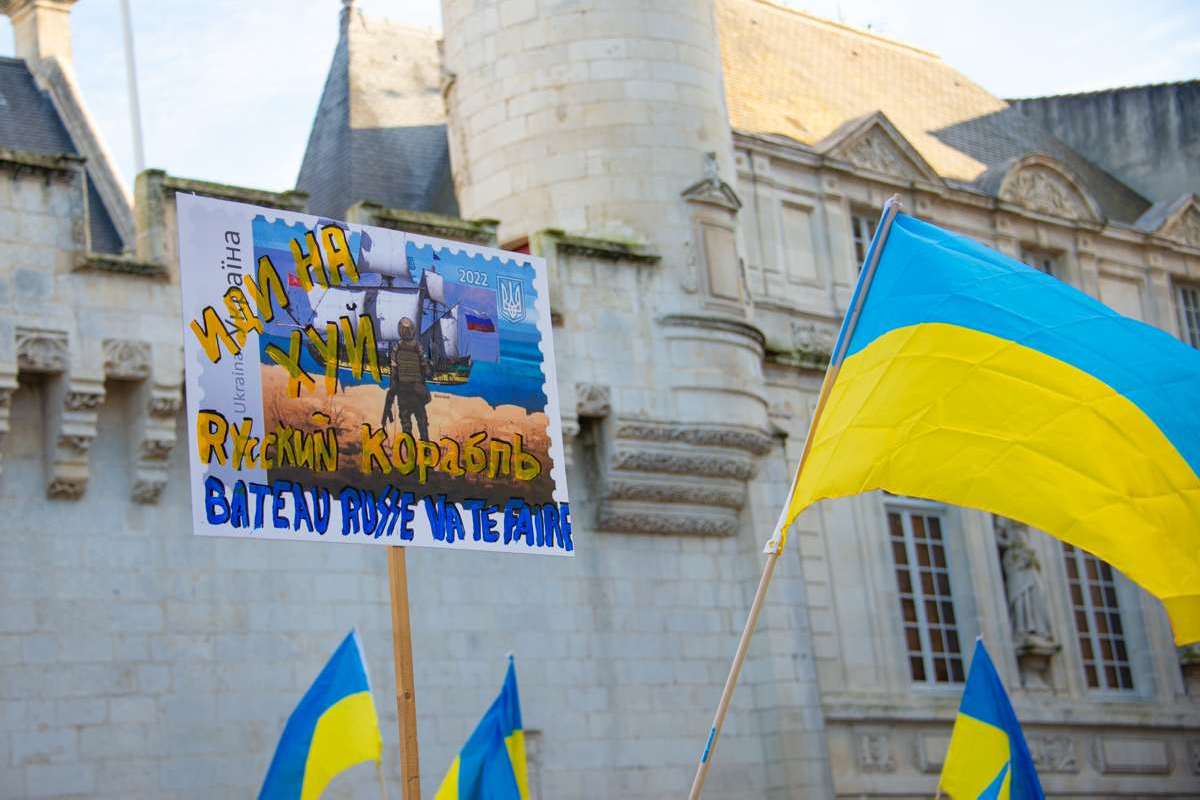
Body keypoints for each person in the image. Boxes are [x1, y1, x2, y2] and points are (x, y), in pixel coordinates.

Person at [382, 317, 430, 440]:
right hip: (417, 390)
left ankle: (410, 448)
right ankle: (426, 448)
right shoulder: (418, 347)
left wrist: (389, 401)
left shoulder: (396, 349)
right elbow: (426, 370)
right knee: (422, 422)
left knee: (406, 424)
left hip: (403, 391)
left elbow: (394, 375)